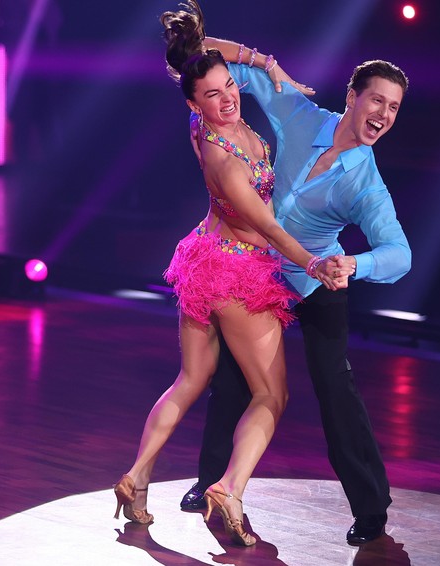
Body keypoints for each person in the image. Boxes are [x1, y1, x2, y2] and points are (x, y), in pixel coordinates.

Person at [112, 1, 349, 547]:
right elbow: (268, 226)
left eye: (228, 87)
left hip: (203, 257)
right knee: (271, 395)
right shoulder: (227, 160)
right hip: (238, 276)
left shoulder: (203, 119)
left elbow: (200, 53)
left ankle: (137, 476)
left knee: (191, 380)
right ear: (194, 103)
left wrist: (266, 65)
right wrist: (312, 263)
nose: (226, 98)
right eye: (213, 94)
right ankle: (230, 490)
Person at [178, 33, 412, 546]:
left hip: (315, 278)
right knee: (234, 379)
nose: (383, 114)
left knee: (335, 388)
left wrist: (354, 262)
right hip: (260, 269)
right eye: (377, 100)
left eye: (393, 108)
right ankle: (210, 482)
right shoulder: (301, 114)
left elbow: (400, 255)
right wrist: (261, 61)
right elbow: (203, 64)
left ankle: (371, 508)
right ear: (352, 97)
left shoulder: (366, 184)